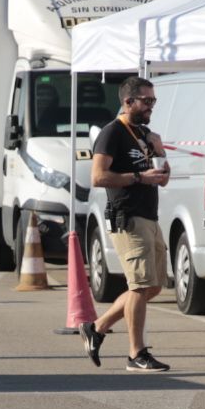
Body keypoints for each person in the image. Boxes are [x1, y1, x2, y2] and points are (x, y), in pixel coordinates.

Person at [79, 77, 172, 372]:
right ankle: (136, 354)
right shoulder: (111, 134)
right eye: (146, 102)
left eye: (153, 102)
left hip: (150, 216)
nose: (151, 107)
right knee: (140, 285)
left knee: (153, 286)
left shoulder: (144, 134)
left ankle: (98, 327)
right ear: (128, 101)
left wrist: (160, 153)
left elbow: (162, 176)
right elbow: (97, 177)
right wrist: (137, 178)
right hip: (128, 216)